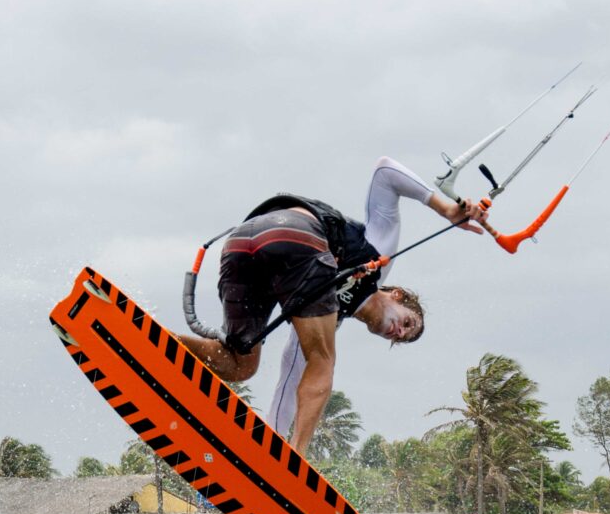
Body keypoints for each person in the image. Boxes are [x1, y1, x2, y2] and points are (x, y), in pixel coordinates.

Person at [179, 157, 486, 453]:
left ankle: (161, 340)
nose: (398, 331)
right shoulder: (381, 255)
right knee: (323, 362)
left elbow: (287, 386)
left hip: (241, 244)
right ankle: (296, 459)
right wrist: (445, 208)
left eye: (400, 338)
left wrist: (268, 451)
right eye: (408, 322)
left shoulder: (322, 321)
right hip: (293, 230)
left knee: (240, 364)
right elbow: (385, 171)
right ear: (398, 295)